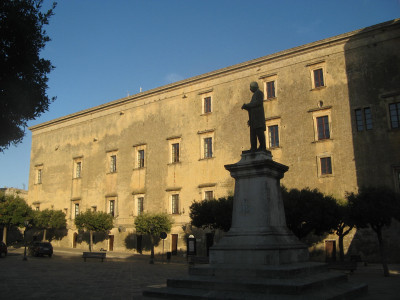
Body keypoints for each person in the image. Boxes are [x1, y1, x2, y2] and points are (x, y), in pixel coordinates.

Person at [241, 82, 267, 152]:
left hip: (258, 118)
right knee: (253, 134)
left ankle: (262, 147)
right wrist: (247, 107)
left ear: (254, 87)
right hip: (253, 119)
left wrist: (247, 105)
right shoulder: (254, 95)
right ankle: (253, 148)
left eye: (251, 87)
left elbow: (258, 103)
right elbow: (252, 107)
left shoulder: (259, 93)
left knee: (259, 133)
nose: (250, 89)